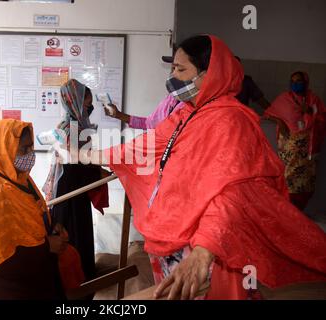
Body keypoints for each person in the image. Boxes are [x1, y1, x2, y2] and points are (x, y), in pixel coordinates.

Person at [83, 35, 326, 299]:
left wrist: (204, 249)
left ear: (208, 75)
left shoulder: (231, 123)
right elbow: (145, 145)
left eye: (180, 69)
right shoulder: (187, 113)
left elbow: (231, 195)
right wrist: (87, 155)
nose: (173, 75)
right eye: (173, 67)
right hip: (177, 237)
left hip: (205, 248)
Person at [0, 119, 68, 300]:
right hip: (6, 289)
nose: (30, 154)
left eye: (31, 148)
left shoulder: (20, 180)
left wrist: (51, 226)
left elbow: (31, 215)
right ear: (2, 150)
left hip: (32, 279)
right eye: (23, 149)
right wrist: (47, 247)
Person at [43, 79, 110, 284]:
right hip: (70, 192)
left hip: (74, 188)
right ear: (75, 102)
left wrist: (99, 170)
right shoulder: (72, 128)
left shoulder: (74, 124)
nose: (90, 107)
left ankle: (82, 274)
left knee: (78, 231)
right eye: (87, 103)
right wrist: (99, 173)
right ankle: (78, 279)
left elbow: (82, 160)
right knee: (73, 234)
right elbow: (74, 166)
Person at [264, 71, 326, 211]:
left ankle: (299, 212)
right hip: (289, 152)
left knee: (305, 184)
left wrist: (309, 111)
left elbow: (322, 119)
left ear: (306, 82)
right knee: (287, 180)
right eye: (292, 81)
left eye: (299, 81)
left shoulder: (313, 100)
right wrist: (279, 121)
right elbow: (268, 114)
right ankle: (287, 212)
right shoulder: (284, 99)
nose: (295, 84)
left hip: (308, 154)